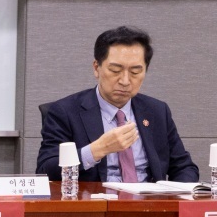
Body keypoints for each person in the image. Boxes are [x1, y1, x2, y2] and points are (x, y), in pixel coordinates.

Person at [35, 26, 198, 182]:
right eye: (115, 70)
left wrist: (175, 194)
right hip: (95, 200)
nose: (125, 81)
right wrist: (98, 149)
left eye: (135, 72)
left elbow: (185, 168)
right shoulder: (65, 111)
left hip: (149, 199)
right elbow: (46, 169)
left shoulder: (157, 111)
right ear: (96, 68)